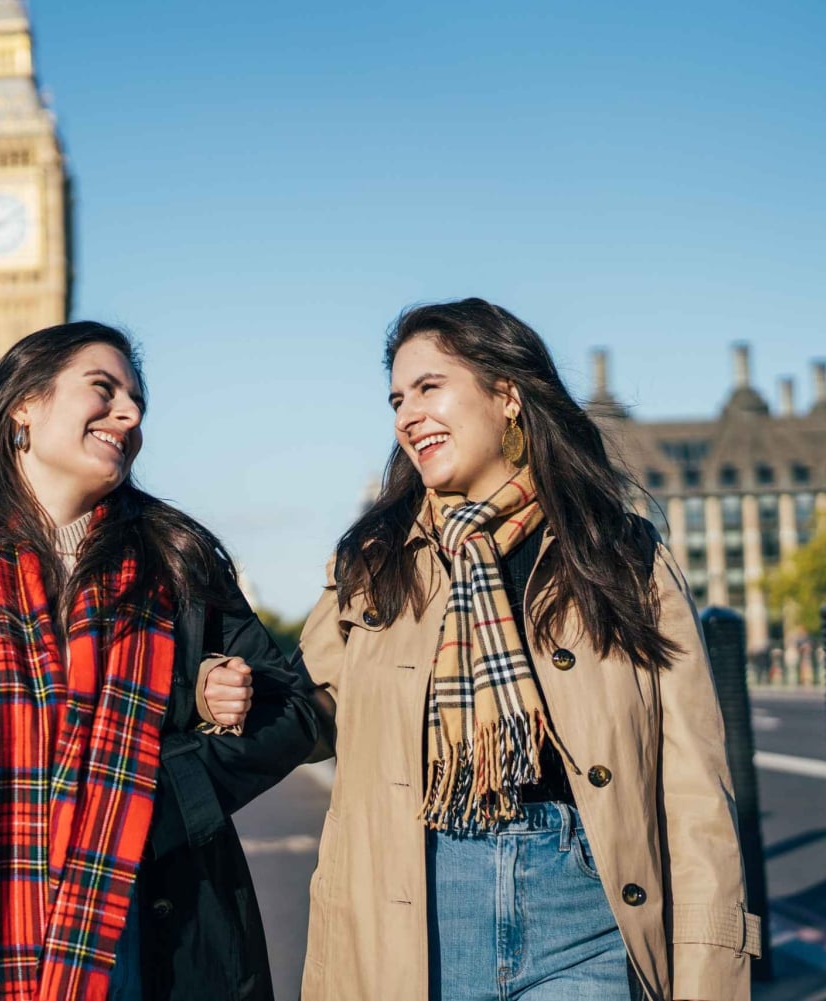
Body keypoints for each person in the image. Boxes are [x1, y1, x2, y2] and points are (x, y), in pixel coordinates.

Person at [0, 321, 320, 1001]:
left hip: (148, 936)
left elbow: (294, 708)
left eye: (136, 401)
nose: (130, 414)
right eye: (103, 390)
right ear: (24, 403)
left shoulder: (175, 559)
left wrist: (164, 785)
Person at [296, 299, 761, 1000]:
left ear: (507, 395)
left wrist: (708, 970)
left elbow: (694, 789)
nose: (406, 415)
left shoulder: (618, 556)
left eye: (429, 388)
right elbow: (302, 712)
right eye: (396, 398)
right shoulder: (377, 562)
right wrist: (216, 686)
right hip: (419, 912)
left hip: (584, 913)